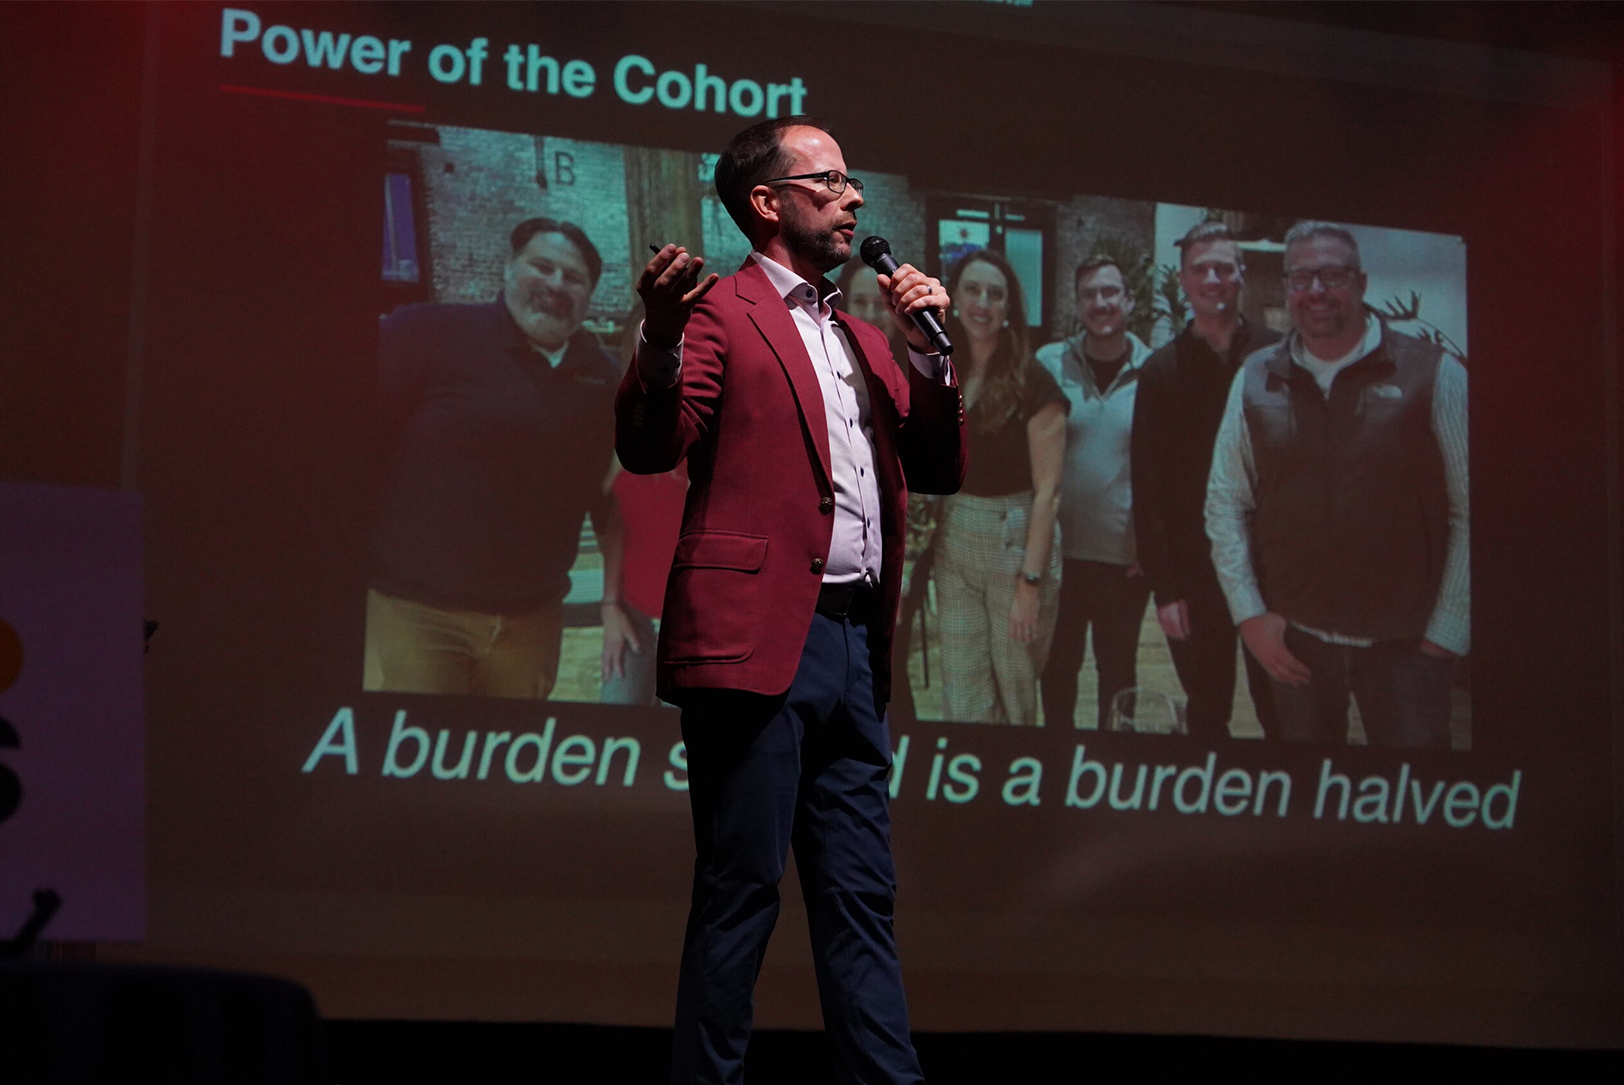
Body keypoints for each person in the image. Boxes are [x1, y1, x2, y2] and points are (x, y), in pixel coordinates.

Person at [615, 117, 965, 1084]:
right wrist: (659, 335)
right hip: (758, 641)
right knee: (741, 891)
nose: (854, 198)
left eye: (853, 183)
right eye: (832, 181)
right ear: (768, 203)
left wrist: (930, 355)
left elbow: (935, 465)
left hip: (854, 646)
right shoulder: (721, 312)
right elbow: (652, 445)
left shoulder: (861, 333)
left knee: (861, 896)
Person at [1206, 221, 1469, 748]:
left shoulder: (1433, 373)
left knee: (1412, 805)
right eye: (1301, 278)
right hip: (1296, 641)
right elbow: (1225, 503)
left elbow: (1472, 510)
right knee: (1307, 798)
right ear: (1286, 288)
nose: (1316, 292)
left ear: (1362, 282)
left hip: (1406, 647)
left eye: (1332, 275)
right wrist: (1250, 615)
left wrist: (1448, 632)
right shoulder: (1256, 377)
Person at [366, 217, 637, 699]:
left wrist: (612, 602)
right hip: (418, 613)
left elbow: (606, 493)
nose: (556, 284)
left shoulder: (600, 376)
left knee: (509, 759)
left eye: (573, 278)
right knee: (413, 757)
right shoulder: (427, 333)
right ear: (509, 268)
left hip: (532, 622)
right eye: (543, 266)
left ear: (589, 294)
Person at [1132, 222, 1281, 739]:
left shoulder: (1279, 357)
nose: (1212, 278)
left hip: (1274, 570)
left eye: (1223, 267)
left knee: (1282, 710)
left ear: (1241, 273)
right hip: (1195, 575)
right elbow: (1147, 489)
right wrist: (1166, 589)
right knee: (1208, 711)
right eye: (1201, 269)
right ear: (1185, 280)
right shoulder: (1160, 372)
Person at [932, 248, 1067, 725]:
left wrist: (1030, 585)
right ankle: (970, 790)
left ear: (1010, 307)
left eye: (995, 294)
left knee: (1015, 690)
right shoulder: (942, 365)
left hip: (1017, 544)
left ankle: (1014, 792)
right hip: (956, 542)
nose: (983, 303)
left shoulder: (1035, 381)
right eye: (972, 290)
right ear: (955, 298)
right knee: (963, 691)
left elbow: (1049, 492)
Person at [1036, 258, 1152, 729]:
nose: (1100, 304)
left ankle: (1114, 770)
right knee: (1058, 667)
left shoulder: (1156, 369)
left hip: (1125, 560)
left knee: (1118, 671)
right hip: (1059, 554)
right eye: (1090, 294)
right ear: (1078, 302)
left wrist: (1154, 542)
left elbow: (1165, 468)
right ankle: (1058, 763)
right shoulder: (1048, 363)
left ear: (1128, 299)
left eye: (1110, 293)